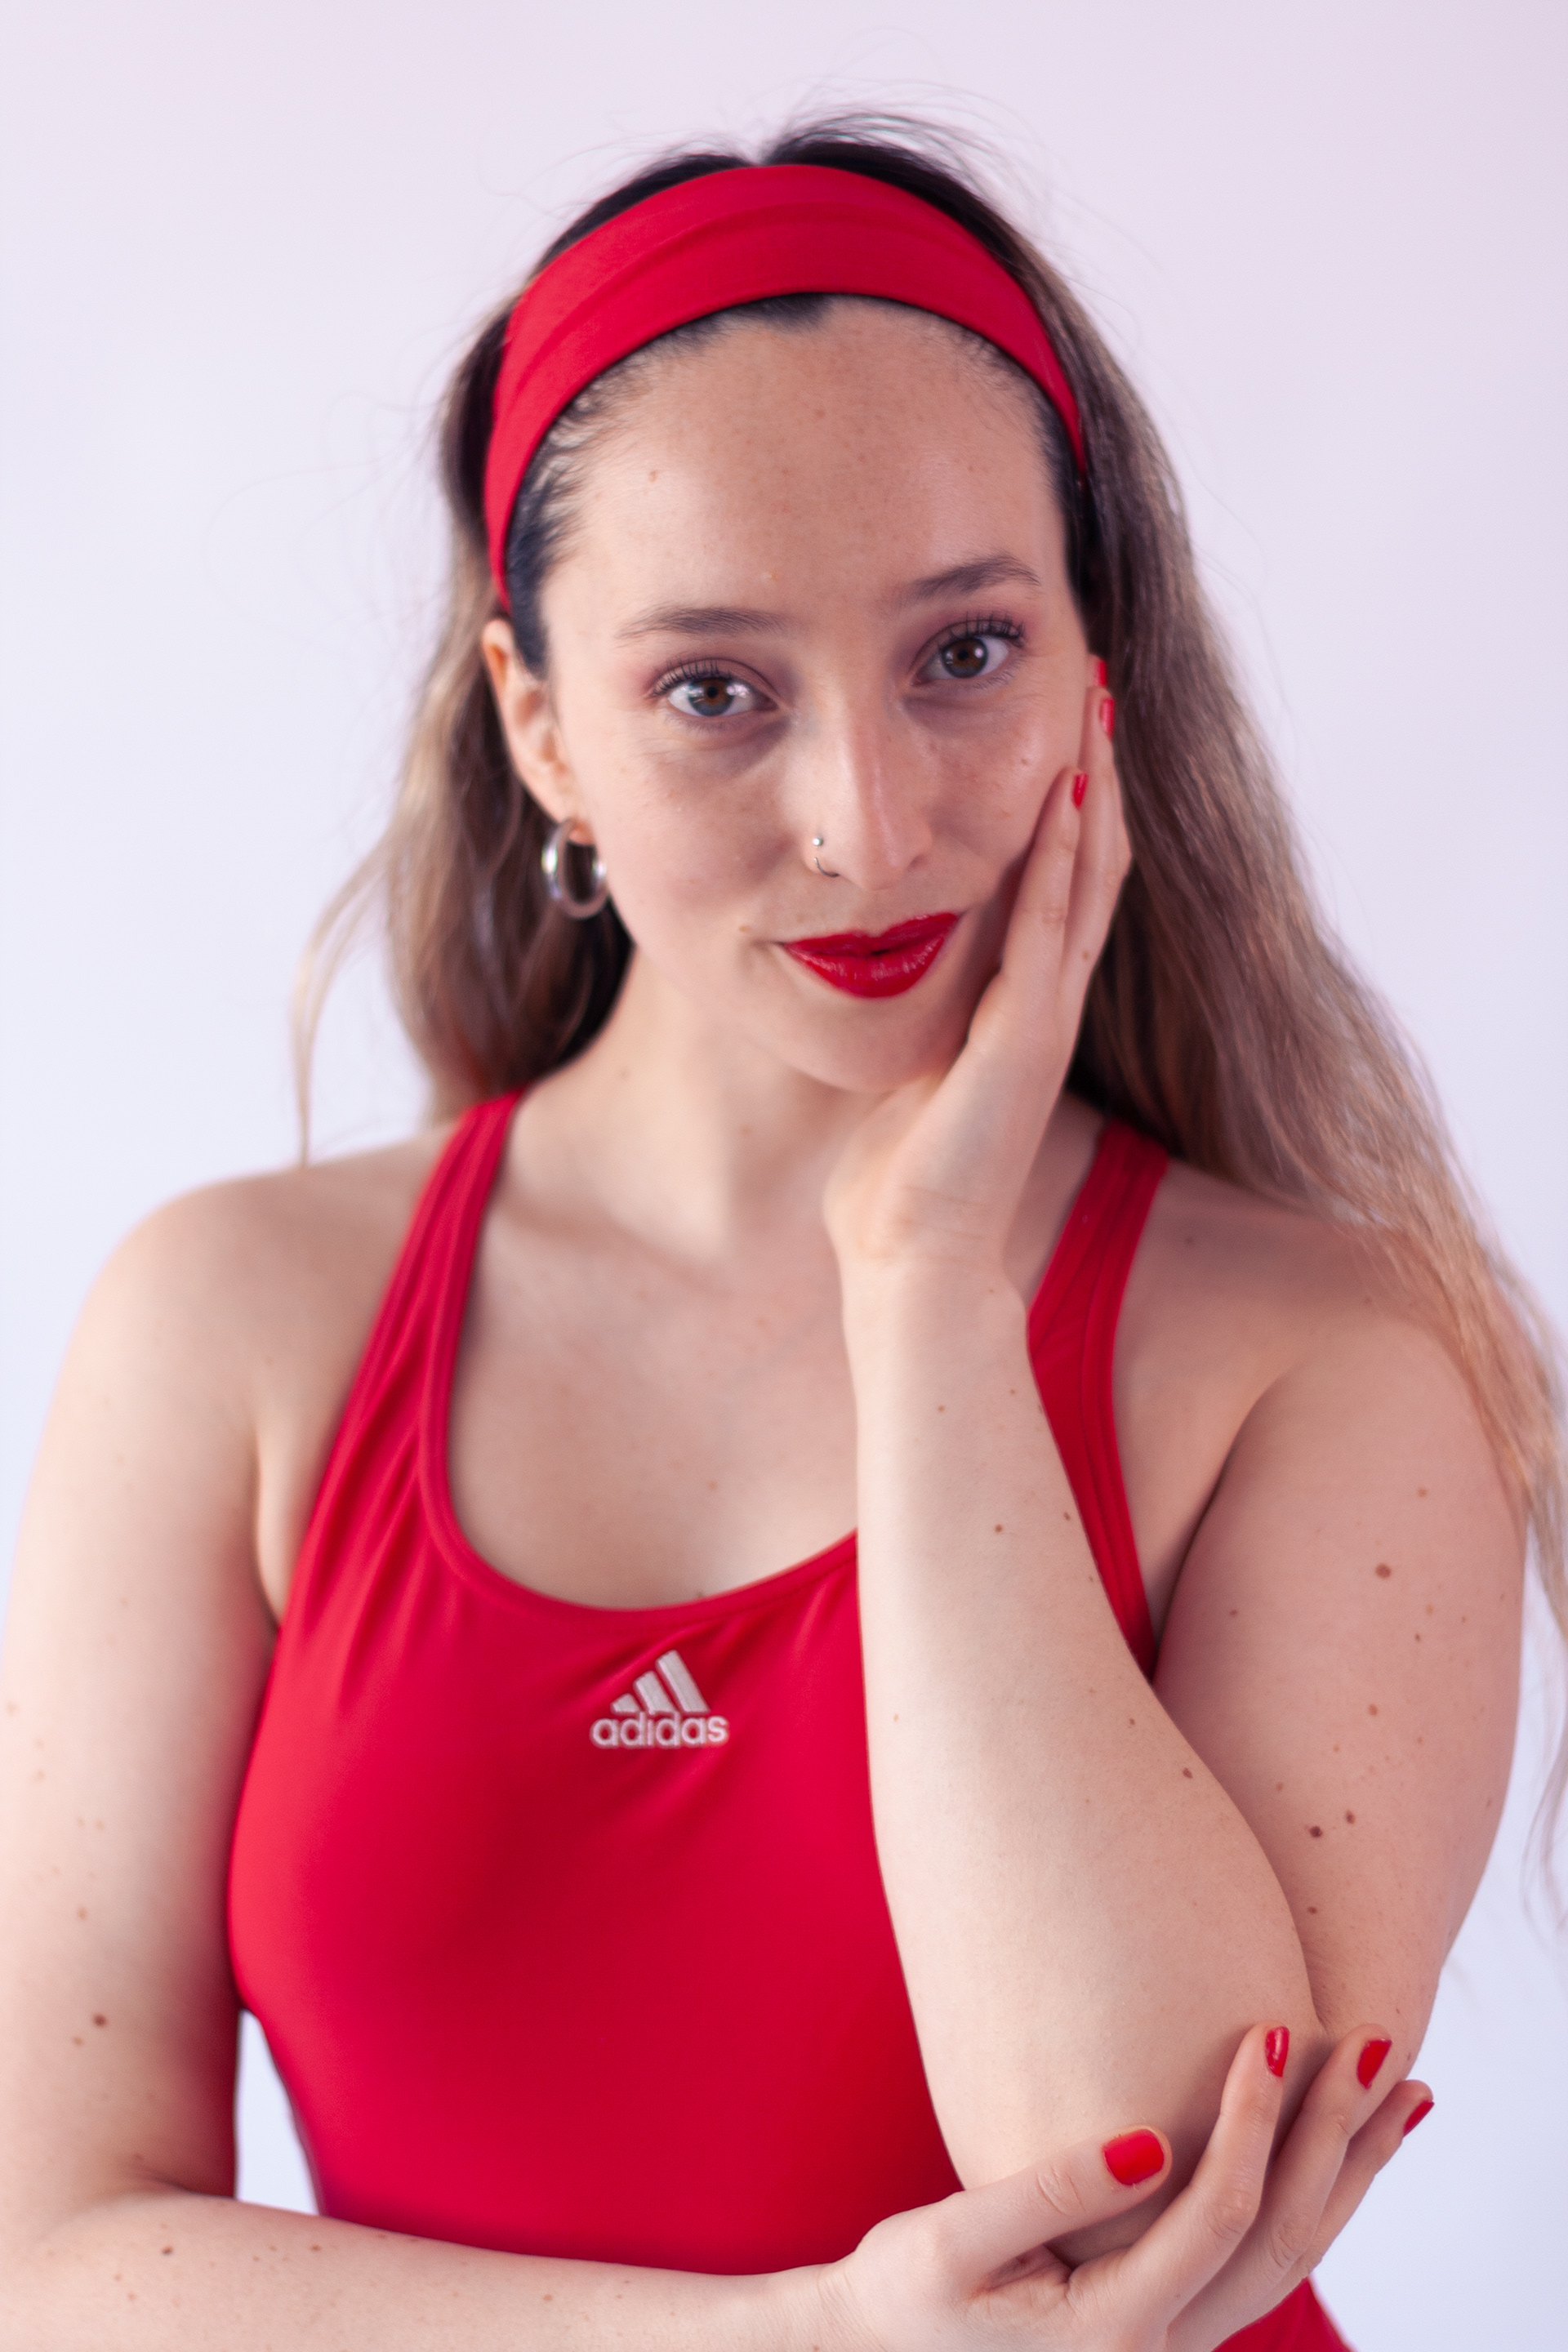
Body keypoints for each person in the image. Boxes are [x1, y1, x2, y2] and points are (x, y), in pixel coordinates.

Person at [0, 118, 1557, 2351]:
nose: (869, 822)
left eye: (966, 652)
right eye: (715, 690)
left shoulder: (1328, 1361)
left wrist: (928, 1293)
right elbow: (46, 2257)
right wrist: (789, 2343)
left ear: (1096, 675)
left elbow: (1146, 2217)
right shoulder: (234, 1331)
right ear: (542, 729)